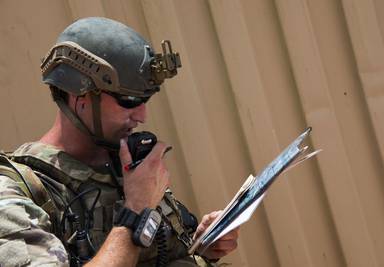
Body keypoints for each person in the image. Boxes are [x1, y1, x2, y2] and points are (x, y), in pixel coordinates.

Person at [0, 17, 239, 267]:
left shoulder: (125, 165)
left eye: (145, 100)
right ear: (79, 95)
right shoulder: (14, 192)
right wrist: (135, 211)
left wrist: (202, 247)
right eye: (128, 100)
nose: (142, 115)